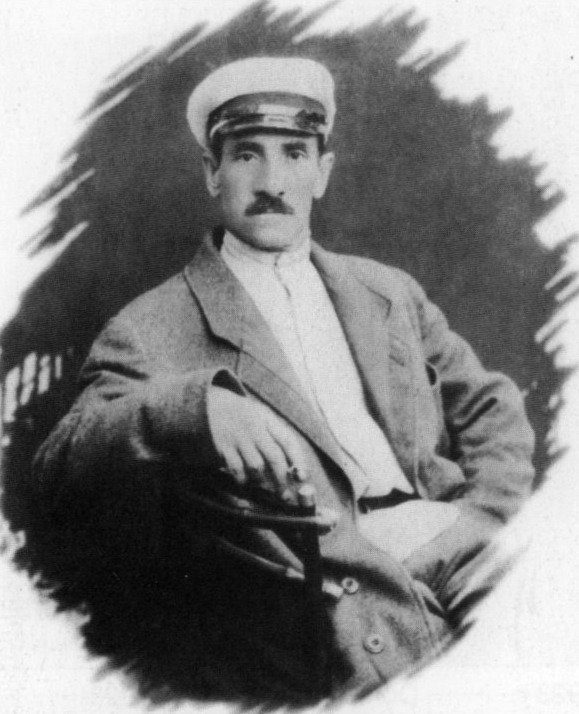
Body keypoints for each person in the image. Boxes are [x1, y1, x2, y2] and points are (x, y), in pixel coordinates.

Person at [30, 56, 535, 705]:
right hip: (337, 596)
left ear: (321, 172)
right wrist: (194, 407)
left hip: (462, 550)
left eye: (294, 154)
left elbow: (490, 405)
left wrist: (483, 519)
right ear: (211, 171)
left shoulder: (387, 291)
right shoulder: (151, 325)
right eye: (246, 155)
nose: (271, 182)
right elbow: (57, 470)